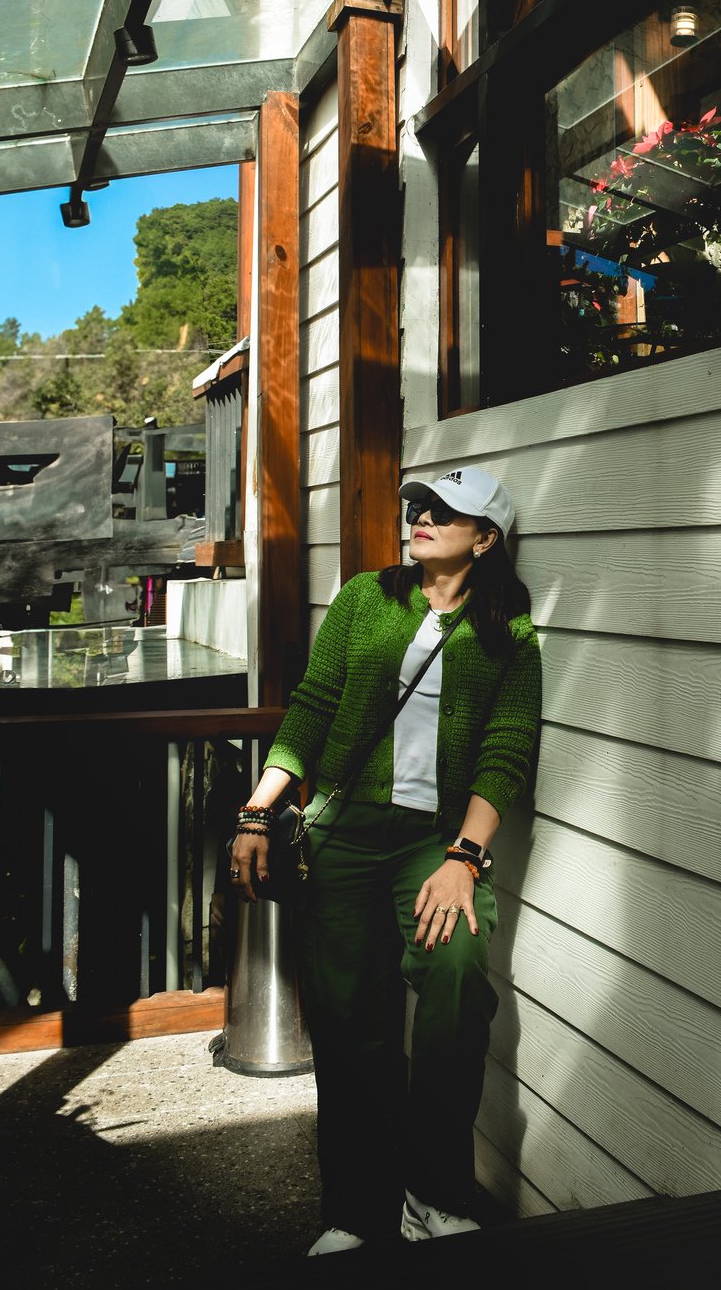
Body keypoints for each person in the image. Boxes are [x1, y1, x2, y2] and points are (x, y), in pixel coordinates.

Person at [228, 465, 542, 1254]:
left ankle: (433, 1193)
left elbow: (507, 749)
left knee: (456, 980)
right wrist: (258, 810)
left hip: (435, 843)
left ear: (486, 539)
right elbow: (312, 707)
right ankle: (354, 1211)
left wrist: (465, 856)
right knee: (347, 1026)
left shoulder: (509, 631)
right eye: (420, 506)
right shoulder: (367, 597)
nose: (421, 517)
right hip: (343, 832)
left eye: (444, 511)